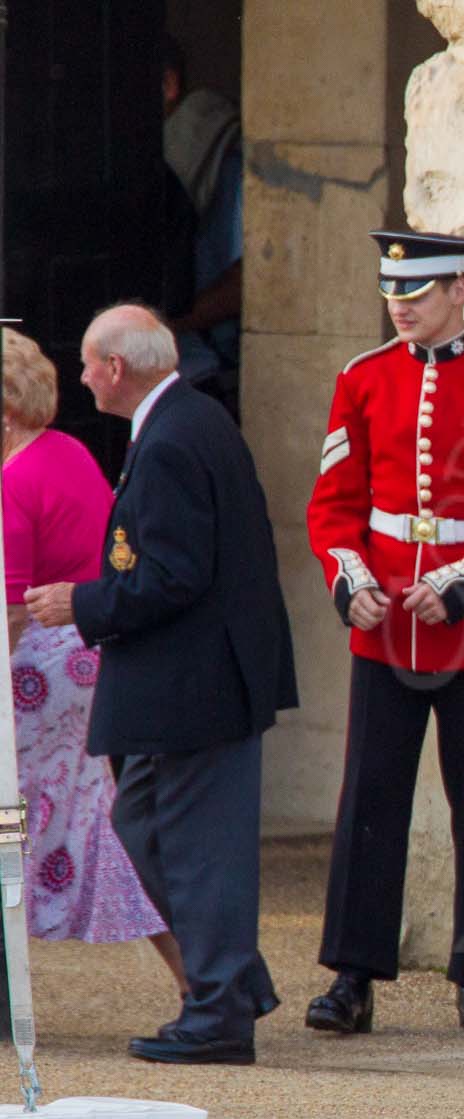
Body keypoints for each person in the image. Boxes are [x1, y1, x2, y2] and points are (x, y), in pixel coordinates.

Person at [303, 230, 464, 1037]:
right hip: (385, 627)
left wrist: (459, 584)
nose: (400, 306)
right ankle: (353, 975)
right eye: (393, 293)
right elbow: (335, 503)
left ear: (458, 289)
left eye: (415, 293)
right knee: (369, 801)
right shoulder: (363, 379)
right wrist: (351, 581)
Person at [24, 304, 297, 1065]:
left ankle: (217, 1012)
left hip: (196, 685)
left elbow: (174, 575)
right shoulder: (181, 421)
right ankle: (231, 979)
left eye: (86, 363)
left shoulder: (177, 435)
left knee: (196, 848)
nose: (80, 377)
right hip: (181, 683)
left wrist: (79, 602)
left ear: (116, 368)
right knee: (142, 823)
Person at [2, 328, 182, 999]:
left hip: (37, 669)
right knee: (96, 824)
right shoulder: (67, 450)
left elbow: (10, 609)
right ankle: (201, 978)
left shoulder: (12, 479)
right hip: (85, 658)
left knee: (12, 819)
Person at [160, 32, 243, 413]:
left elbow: (247, 280)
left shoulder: (224, 160)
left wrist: (164, 328)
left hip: (198, 370)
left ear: (168, 84)